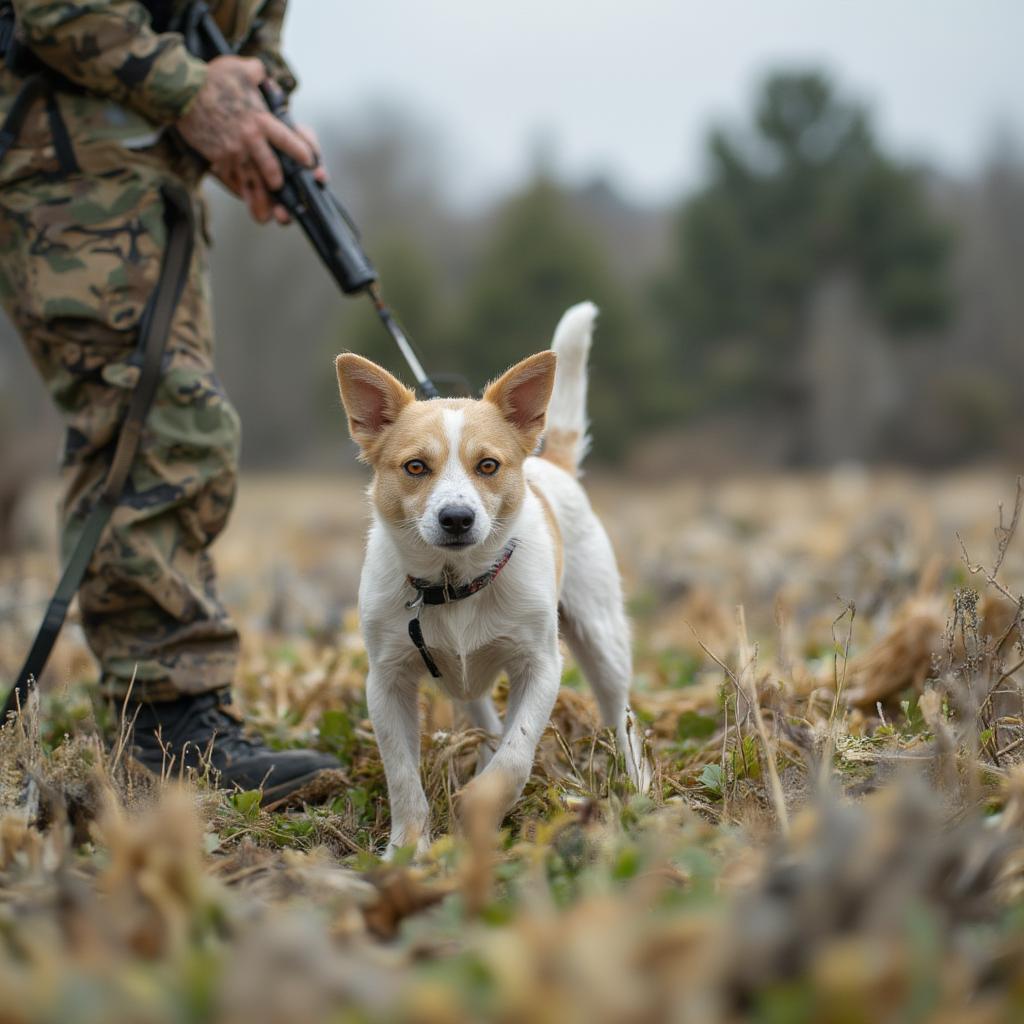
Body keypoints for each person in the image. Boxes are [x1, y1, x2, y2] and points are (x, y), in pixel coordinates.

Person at [0, 0, 340, 802]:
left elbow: (253, 29)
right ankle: (165, 724)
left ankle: (163, 708)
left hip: (146, 166)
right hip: (67, 151)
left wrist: (258, 111)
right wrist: (192, 90)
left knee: (151, 415)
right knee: (161, 420)